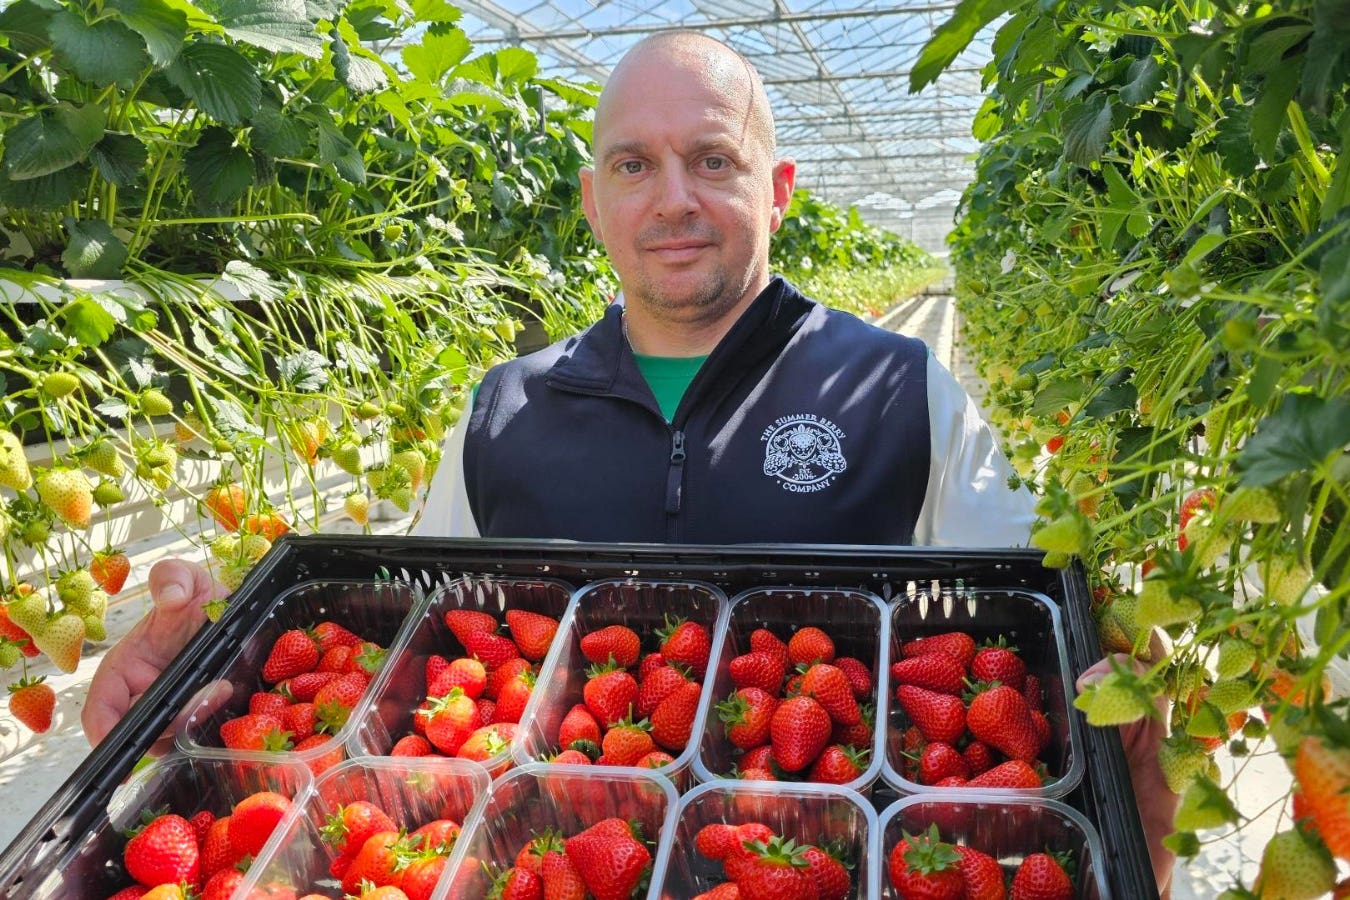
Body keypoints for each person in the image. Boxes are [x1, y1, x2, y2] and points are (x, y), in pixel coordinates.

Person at [80, 31, 1171, 895]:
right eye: (634, 165)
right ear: (593, 199)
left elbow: (1034, 643)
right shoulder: (501, 411)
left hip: (829, 862)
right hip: (554, 861)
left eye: (714, 160)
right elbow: (400, 671)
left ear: (779, 188)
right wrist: (195, 687)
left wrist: (1132, 714)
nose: (673, 198)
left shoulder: (899, 388)